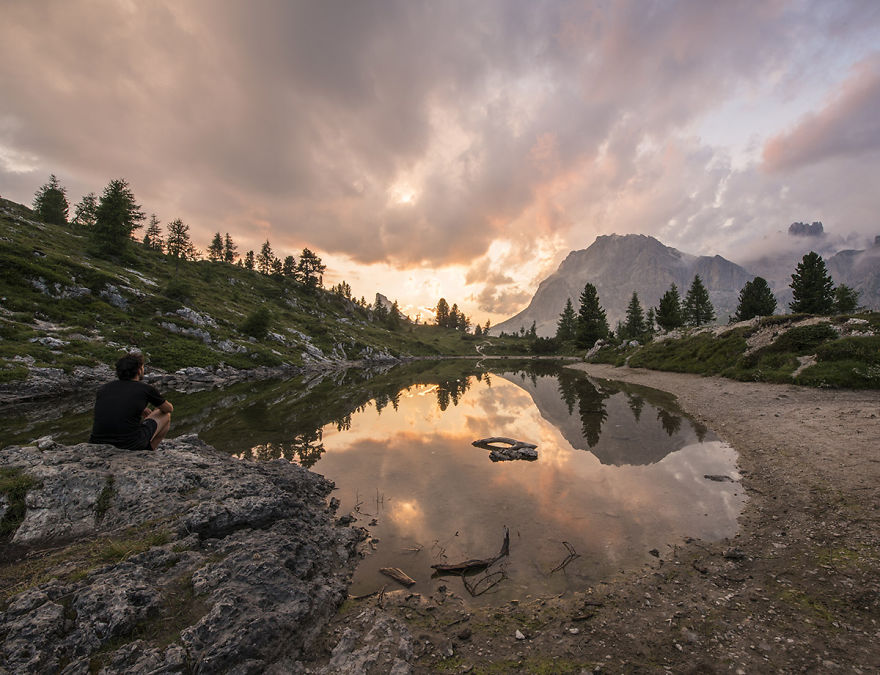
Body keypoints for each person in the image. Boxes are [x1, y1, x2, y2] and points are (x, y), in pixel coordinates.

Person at [89, 352, 173, 451]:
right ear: (138, 370)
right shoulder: (146, 389)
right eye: (142, 367)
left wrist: (140, 408)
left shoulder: (103, 388)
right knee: (165, 415)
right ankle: (148, 451)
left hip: (96, 442)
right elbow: (168, 408)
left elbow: (115, 406)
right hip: (129, 444)